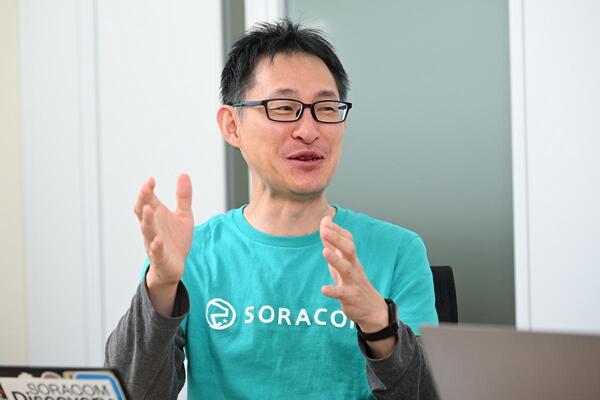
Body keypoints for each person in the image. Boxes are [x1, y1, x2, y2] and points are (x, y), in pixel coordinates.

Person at [105, 20, 439, 399]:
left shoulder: (397, 252)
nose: (308, 130)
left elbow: (428, 394)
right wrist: (161, 286)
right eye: (284, 107)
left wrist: (378, 323)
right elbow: (131, 391)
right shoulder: (188, 254)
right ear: (232, 125)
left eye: (326, 108)